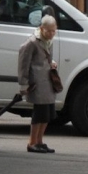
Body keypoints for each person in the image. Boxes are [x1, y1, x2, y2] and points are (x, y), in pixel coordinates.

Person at [17, 14, 60, 154]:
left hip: (47, 82)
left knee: (48, 113)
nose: (52, 34)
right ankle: (32, 142)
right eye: (49, 31)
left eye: (54, 30)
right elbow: (23, 63)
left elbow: (46, 58)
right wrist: (24, 84)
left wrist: (51, 63)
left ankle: (40, 141)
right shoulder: (32, 42)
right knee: (39, 113)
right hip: (37, 83)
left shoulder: (48, 41)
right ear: (42, 29)